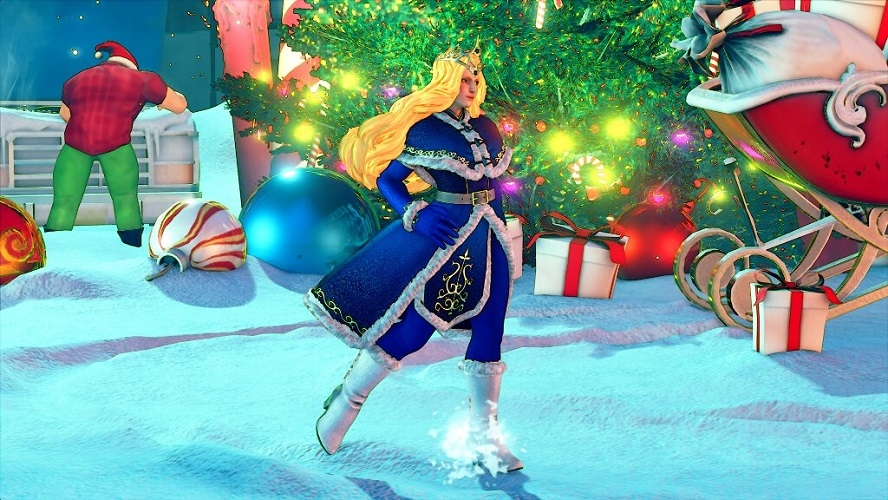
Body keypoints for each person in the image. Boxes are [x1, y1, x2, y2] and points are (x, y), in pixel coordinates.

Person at [303, 43, 523, 473]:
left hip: (490, 240)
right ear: (446, 82)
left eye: (475, 78)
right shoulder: (426, 129)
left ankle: (484, 440)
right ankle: (345, 404)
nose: (471, 86)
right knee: (416, 330)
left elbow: (494, 187)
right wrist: (415, 213)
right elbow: (390, 180)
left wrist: (504, 233)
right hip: (446, 242)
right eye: (463, 79)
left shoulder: (486, 126)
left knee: (491, 329)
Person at [44, 40, 188, 247]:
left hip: (75, 146)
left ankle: (54, 247)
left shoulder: (75, 80)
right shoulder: (144, 80)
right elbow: (179, 106)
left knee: (64, 201)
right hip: (116, 146)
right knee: (125, 198)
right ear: (131, 64)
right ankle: (131, 244)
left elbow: (65, 114)